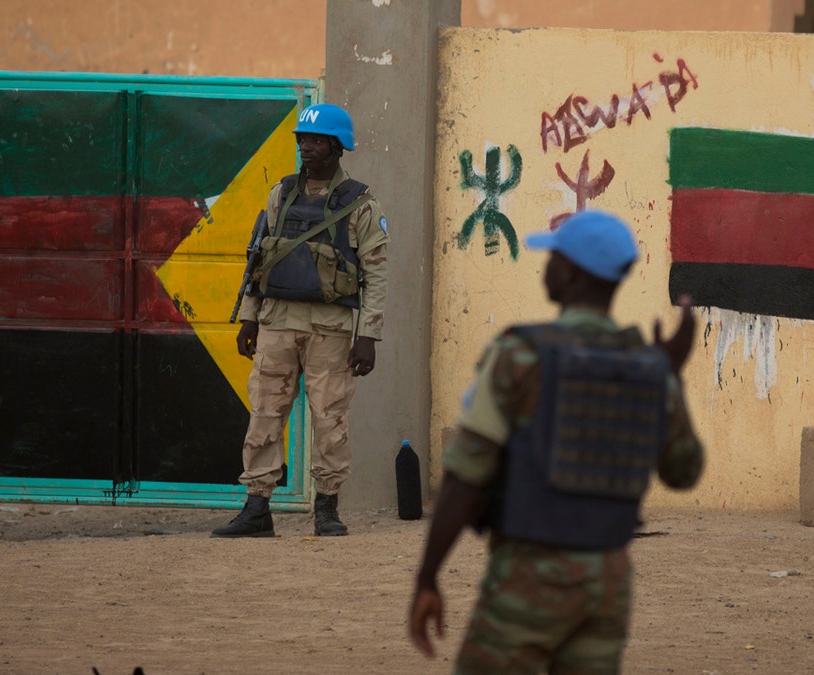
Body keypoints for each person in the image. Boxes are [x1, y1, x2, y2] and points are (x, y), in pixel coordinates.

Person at [407, 210, 704, 672]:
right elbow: (684, 472)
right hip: (607, 582)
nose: (546, 267)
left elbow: (466, 476)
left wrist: (427, 577)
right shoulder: (649, 368)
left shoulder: (520, 355)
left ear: (568, 273)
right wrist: (671, 374)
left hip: (530, 574)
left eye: (552, 258)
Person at [212, 103, 389, 538]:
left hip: (330, 328)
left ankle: (326, 509)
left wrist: (368, 336)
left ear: (337, 146)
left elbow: (377, 273)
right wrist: (249, 318)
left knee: (329, 417)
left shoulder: (361, 203)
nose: (305, 148)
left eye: (315, 141)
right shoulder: (281, 193)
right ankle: (257, 507)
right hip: (277, 322)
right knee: (266, 412)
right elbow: (258, 257)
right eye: (301, 140)